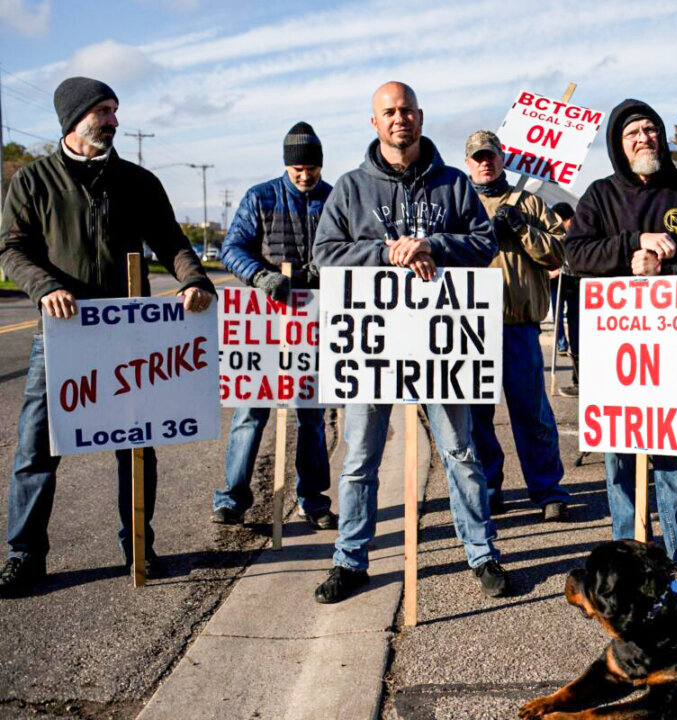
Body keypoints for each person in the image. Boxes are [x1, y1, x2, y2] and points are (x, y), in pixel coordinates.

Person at [0, 77, 216, 596]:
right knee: (36, 449)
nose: (114, 121)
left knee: (138, 447)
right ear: (74, 118)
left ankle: (138, 544)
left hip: (129, 337)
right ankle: (24, 554)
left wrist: (194, 278)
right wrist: (44, 286)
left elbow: (171, 241)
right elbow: (11, 249)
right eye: (103, 111)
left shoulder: (138, 182)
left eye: (116, 110)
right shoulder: (33, 182)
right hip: (63, 336)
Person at [311, 82, 507, 603]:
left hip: (440, 349)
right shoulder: (351, 188)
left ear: (421, 117)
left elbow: (486, 243)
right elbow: (325, 255)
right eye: (388, 112)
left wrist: (434, 245)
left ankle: (481, 552)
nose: (399, 119)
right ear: (373, 122)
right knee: (358, 460)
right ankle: (350, 559)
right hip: (371, 351)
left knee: (461, 453)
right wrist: (387, 251)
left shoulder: (453, 185)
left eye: (407, 111)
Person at [564, 98, 677, 572]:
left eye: (651, 129)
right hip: (615, 355)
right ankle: (631, 559)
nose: (645, 138)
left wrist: (671, 264)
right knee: (622, 465)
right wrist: (630, 248)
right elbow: (577, 254)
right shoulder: (599, 196)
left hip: (675, 353)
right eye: (633, 133)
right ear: (619, 146)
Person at [212, 123, 337, 530]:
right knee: (251, 411)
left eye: (313, 167)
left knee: (312, 416)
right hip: (264, 319)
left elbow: (351, 246)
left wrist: (331, 264)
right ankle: (232, 498)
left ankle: (313, 500)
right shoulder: (260, 197)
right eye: (299, 167)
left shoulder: (335, 199)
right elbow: (232, 248)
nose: (306, 175)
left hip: (315, 319)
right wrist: (260, 276)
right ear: (287, 165)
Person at [463, 130, 570, 521]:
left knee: (532, 414)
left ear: (502, 158)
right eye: (477, 157)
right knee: (476, 417)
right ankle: (489, 488)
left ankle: (547, 490)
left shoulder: (529, 202)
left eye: (490, 156)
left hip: (519, 326)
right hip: (471, 327)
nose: (485, 163)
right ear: (468, 163)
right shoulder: (459, 203)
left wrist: (524, 229)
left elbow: (560, 251)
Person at [549, 202, 581, 398]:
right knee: (558, 316)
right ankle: (562, 344)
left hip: (575, 281)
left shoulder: (580, 231)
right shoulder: (556, 232)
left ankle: (579, 377)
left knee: (577, 326)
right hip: (559, 280)